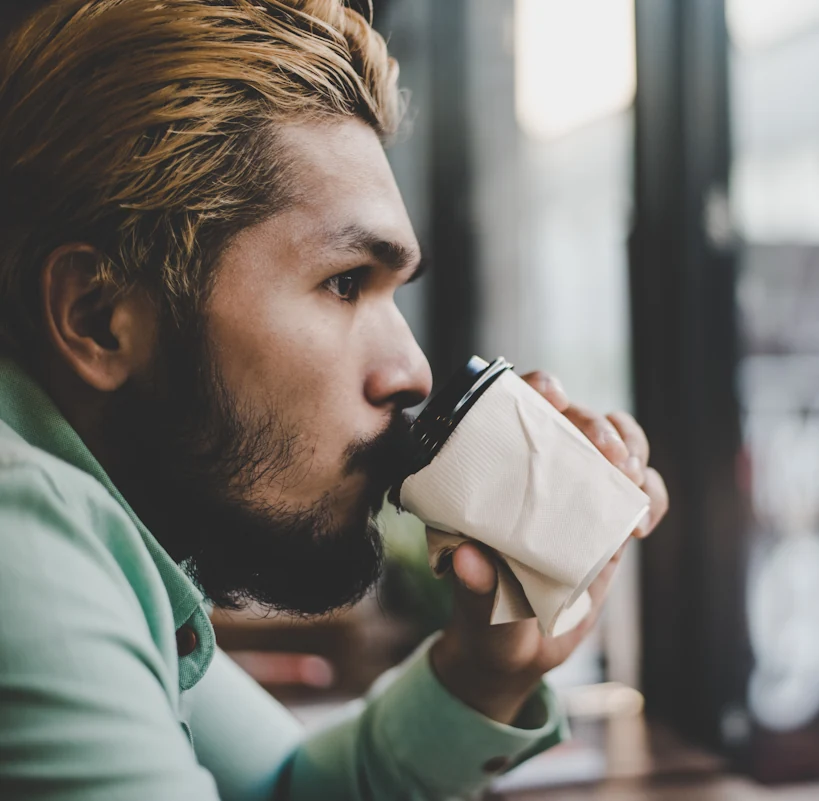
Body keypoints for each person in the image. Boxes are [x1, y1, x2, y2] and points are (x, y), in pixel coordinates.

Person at [0, 1, 670, 799]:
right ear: (98, 318)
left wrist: (485, 668)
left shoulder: (105, 540)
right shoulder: (23, 537)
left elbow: (284, 785)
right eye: (345, 281)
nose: (414, 370)